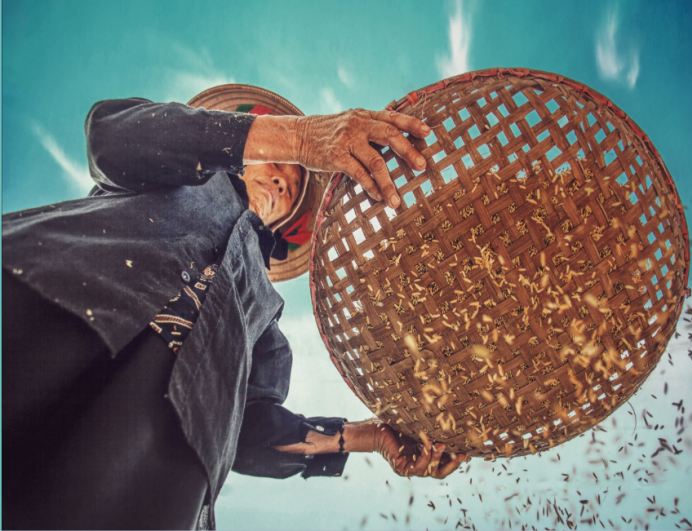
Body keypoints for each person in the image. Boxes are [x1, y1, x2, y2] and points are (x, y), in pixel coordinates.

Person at [2, 84, 467, 530]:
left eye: (293, 187)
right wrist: (301, 138)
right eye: (278, 163)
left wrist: (370, 437)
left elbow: (249, 438)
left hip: (153, 463)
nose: (284, 179)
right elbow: (110, 134)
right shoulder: (168, 170)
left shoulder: (265, 319)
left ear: (290, 226)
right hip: (35, 308)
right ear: (241, 158)